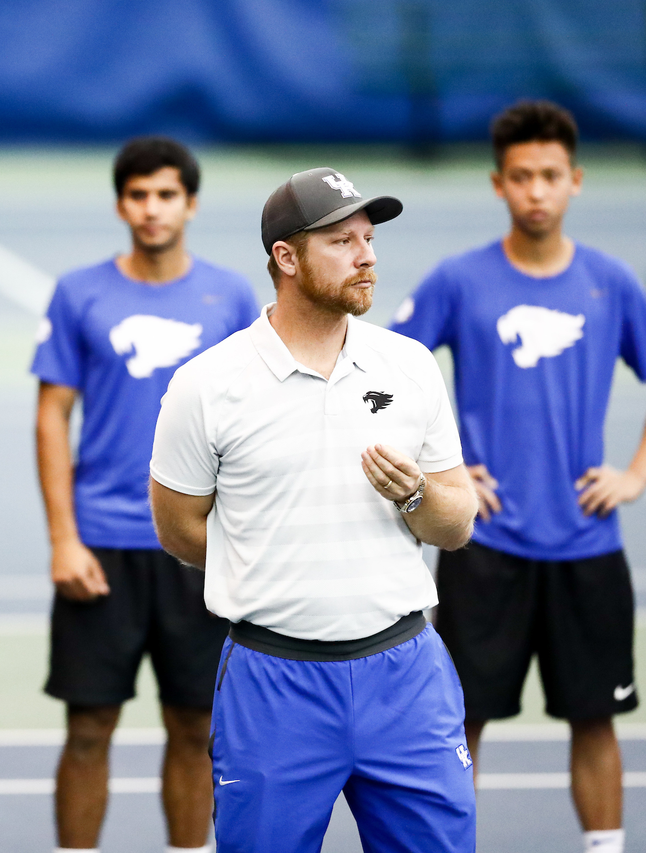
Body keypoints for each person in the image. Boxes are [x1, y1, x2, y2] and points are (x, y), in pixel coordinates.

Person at [149, 167, 480, 853]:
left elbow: (457, 522)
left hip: (405, 675)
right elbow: (178, 526)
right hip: (273, 684)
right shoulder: (206, 385)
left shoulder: (411, 365)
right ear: (287, 257)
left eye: (369, 238)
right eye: (342, 240)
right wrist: (269, 553)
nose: (368, 256)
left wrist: (417, 494)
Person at [390, 101, 646, 853]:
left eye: (550, 176)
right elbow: (383, 375)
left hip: (586, 545)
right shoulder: (458, 279)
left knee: (595, 716)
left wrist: (637, 472)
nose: (536, 191)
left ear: (575, 180)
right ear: (498, 183)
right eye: (521, 177)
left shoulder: (610, 282)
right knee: (458, 722)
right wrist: (435, 471)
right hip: (484, 547)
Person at [30, 136, 258, 853]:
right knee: (89, 727)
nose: (152, 209)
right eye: (138, 195)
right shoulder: (78, 292)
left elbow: (254, 417)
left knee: (195, 726)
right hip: (101, 545)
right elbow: (50, 415)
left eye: (166, 195)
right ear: (120, 202)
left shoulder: (232, 295)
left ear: (189, 203)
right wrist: (64, 538)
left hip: (197, 548)